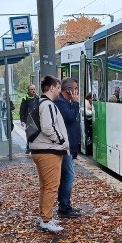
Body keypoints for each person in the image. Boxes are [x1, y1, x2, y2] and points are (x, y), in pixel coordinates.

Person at [28, 76, 69, 233]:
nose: (59, 91)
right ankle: (46, 220)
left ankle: (45, 216)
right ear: (52, 88)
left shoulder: (39, 103)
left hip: (39, 149)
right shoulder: (48, 105)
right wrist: (62, 141)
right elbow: (47, 127)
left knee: (45, 186)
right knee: (52, 186)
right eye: (58, 87)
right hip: (48, 151)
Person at [54, 77, 82, 219]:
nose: (77, 92)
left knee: (65, 176)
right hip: (65, 146)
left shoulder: (65, 102)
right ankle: (64, 207)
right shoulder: (60, 103)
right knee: (69, 176)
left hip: (68, 145)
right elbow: (70, 118)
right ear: (69, 90)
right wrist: (76, 103)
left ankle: (65, 205)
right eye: (75, 89)